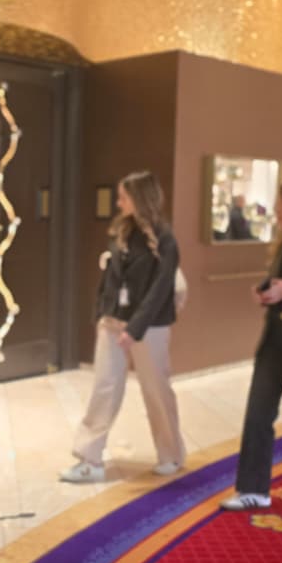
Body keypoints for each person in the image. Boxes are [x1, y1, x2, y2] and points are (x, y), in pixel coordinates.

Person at [60, 170, 185, 483]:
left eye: (124, 197)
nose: (118, 203)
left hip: (150, 326)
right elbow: (111, 278)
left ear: (141, 198)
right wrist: (103, 312)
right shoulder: (121, 231)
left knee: (156, 390)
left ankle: (171, 454)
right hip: (113, 321)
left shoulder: (165, 240)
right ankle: (89, 458)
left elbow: (160, 290)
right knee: (104, 387)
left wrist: (135, 329)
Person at [221, 178, 282, 510]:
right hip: (274, 341)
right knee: (258, 414)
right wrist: (265, 290)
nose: (276, 210)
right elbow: (280, 280)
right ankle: (253, 489)